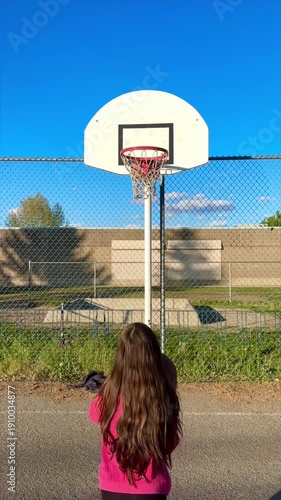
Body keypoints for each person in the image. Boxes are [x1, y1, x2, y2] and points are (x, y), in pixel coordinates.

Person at [88, 322, 182, 500]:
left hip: (112, 486)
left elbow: (94, 414)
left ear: (121, 357)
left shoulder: (108, 394)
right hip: (152, 488)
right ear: (154, 355)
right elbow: (170, 444)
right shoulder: (164, 397)